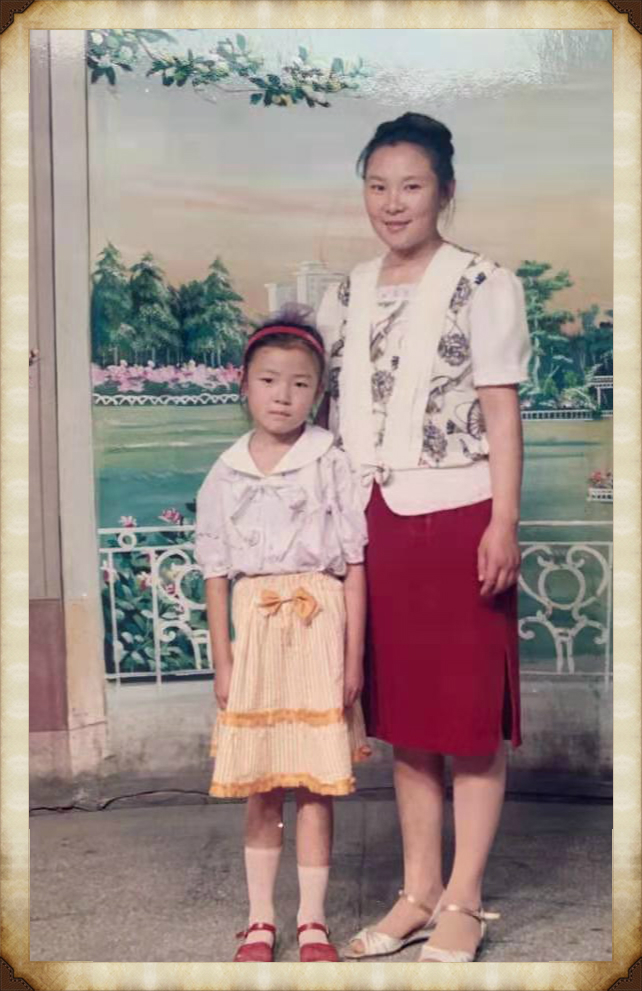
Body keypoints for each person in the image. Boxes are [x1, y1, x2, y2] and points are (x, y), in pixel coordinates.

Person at [316, 112, 531, 963]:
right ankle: (417, 892)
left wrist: (503, 520)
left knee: (468, 718)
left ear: (445, 190)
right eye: (377, 186)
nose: (392, 202)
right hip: (373, 523)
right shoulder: (346, 292)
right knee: (406, 719)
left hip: (462, 518)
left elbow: (501, 412)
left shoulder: (485, 283)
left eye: (411, 185)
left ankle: (464, 899)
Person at [195, 309, 371, 963]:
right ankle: (261, 918)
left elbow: (354, 565)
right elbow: (216, 574)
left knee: (316, 782)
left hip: (319, 622)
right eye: (268, 380)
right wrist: (223, 660)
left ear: (318, 393)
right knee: (263, 782)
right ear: (244, 384)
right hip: (257, 632)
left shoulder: (330, 461)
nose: (282, 396)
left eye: (300, 384)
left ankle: (314, 920)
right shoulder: (225, 472)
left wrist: (352, 659)